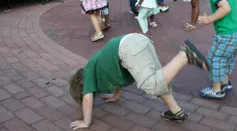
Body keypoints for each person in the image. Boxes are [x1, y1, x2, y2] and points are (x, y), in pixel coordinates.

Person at [69, 33, 210, 130]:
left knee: (151, 86)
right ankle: (176, 111)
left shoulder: (87, 73)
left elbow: (87, 99)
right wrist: (116, 96)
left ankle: (184, 56)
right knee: (159, 79)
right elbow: (119, 79)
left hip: (127, 48)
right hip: (138, 41)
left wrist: (86, 122)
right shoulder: (98, 69)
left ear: (80, 85)